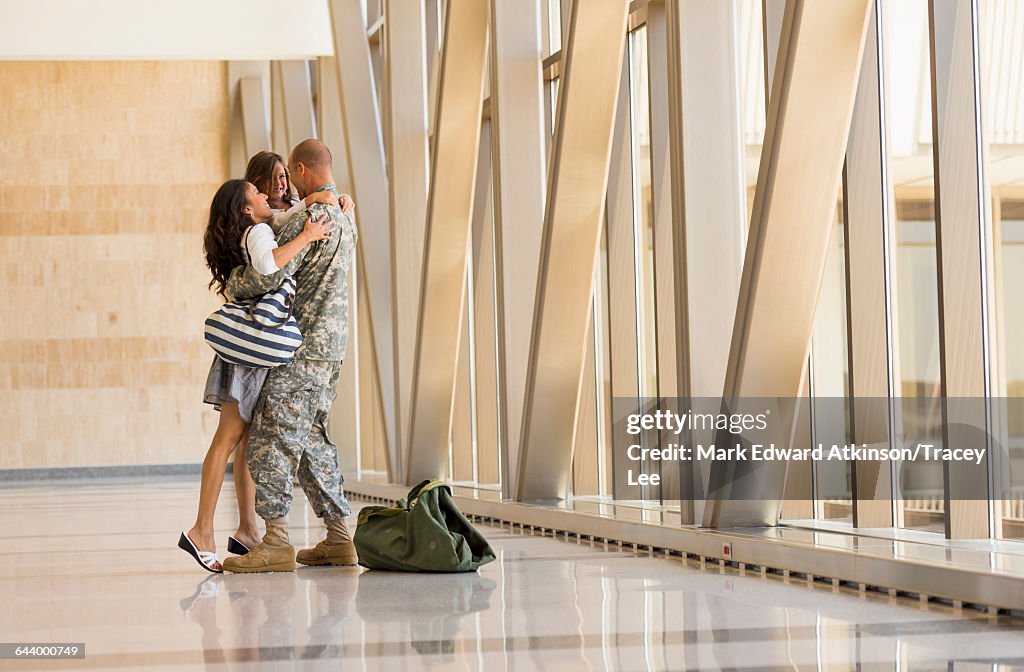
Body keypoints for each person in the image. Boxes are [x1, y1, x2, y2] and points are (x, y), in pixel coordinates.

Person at [178, 179, 336, 573]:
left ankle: (247, 530)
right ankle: (202, 530)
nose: (269, 195)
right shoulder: (259, 231)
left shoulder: (263, 225)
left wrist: (323, 198)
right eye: (258, 192)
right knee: (227, 439)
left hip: (251, 350)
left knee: (243, 441)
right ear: (248, 208)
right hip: (250, 354)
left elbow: (287, 212)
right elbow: (269, 264)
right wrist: (310, 234)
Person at [223, 139, 358, 573]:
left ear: (301, 170)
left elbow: (268, 272)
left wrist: (232, 285)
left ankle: (276, 540)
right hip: (332, 352)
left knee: (269, 439)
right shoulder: (344, 215)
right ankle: (339, 538)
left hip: (301, 352)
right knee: (312, 439)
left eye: (289, 174)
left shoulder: (308, 218)